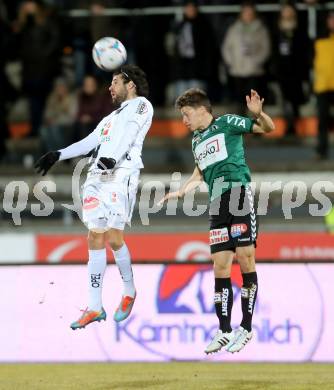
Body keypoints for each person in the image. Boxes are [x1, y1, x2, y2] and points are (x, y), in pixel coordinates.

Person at [35, 65, 153, 329]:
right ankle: (95, 306)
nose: (109, 87)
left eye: (114, 82)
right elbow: (89, 141)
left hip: (121, 174)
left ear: (130, 84)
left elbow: (131, 134)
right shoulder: (111, 118)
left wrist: (114, 157)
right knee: (94, 236)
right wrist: (58, 154)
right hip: (97, 177)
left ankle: (129, 290)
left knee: (114, 235)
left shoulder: (142, 105)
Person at [159, 88, 274, 354]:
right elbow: (200, 172)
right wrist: (182, 190)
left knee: (245, 258)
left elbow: (267, 128)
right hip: (217, 204)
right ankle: (224, 330)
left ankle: (245, 327)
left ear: (202, 110)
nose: (184, 121)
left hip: (239, 195)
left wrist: (260, 114)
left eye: (186, 115)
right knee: (220, 266)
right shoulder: (196, 140)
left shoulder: (227, 123)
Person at [221, 1, 270, 110]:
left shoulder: (261, 29)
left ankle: (253, 126)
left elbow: (265, 49)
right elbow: (226, 48)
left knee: (254, 105)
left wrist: (256, 62)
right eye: (245, 12)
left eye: (250, 12)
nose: (248, 14)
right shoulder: (234, 29)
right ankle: (240, 126)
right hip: (237, 72)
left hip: (254, 72)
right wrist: (232, 63)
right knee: (238, 103)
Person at [272, 4, 309, 137]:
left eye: (290, 12)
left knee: (294, 100)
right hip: (282, 73)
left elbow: (304, 54)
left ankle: (293, 125)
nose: (287, 15)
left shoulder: (300, 32)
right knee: (285, 100)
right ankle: (289, 125)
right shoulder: (277, 32)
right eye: (285, 12)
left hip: (296, 73)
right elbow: (274, 53)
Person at [313, 11, 334, 160]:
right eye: (331, 19)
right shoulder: (319, 40)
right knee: (322, 121)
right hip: (323, 86)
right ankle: (321, 151)